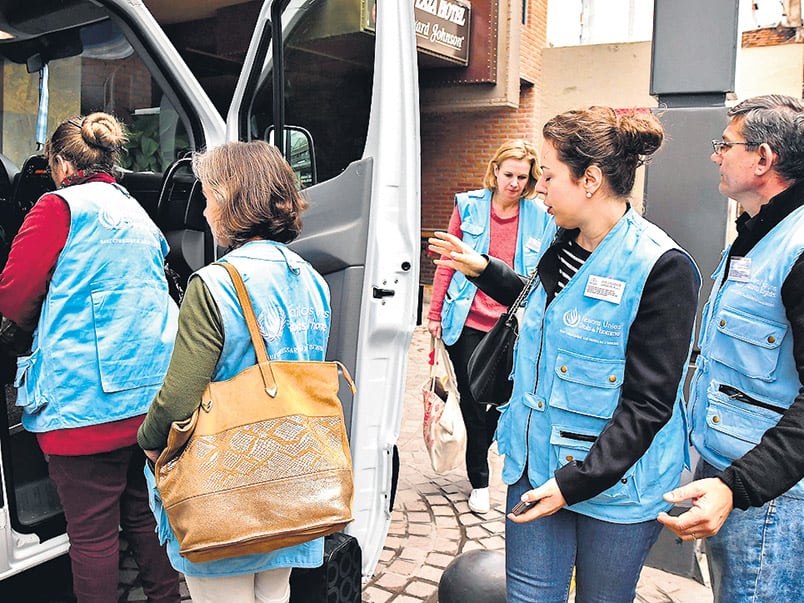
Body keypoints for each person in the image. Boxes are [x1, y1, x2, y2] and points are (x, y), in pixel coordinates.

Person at [429, 106, 701, 602]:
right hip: (534, 465)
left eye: (549, 176)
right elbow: (545, 306)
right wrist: (483, 269)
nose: (539, 189)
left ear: (590, 180)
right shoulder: (563, 241)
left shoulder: (661, 266)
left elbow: (649, 405)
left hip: (616, 487)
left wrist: (573, 484)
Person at [138, 140, 331, 603]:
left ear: (230, 200)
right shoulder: (311, 278)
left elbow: (179, 397)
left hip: (228, 491)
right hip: (293, 484)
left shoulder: (214, 284)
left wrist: (147, 442)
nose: (203, 210)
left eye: (207, 196)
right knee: (273, 594)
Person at [0, 113, 181, 602]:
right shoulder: (134, 209)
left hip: (81, 409)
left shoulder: (56, 209)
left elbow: (14, 297)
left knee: (93, 536)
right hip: (147, 405)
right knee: (145, 516)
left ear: (60, 164)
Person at [658, 94, 804, 602]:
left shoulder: (798, 247)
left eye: (726, 144)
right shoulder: (757, 233)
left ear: (764, 159)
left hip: (771, 499)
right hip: (730, 474)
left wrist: (737, 485)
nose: (716, 154)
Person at [427, 139, 555, 514]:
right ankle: (479, 480)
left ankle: (489, 443)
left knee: (502, 398)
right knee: (472, 399)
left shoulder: (539, 215)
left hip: (512, 323)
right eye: (508, 174)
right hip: (466, 319)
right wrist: (434, 313)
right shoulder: (468, 206)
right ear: (495, 172)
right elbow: (449, 262)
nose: (514, 183)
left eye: (523, 177)